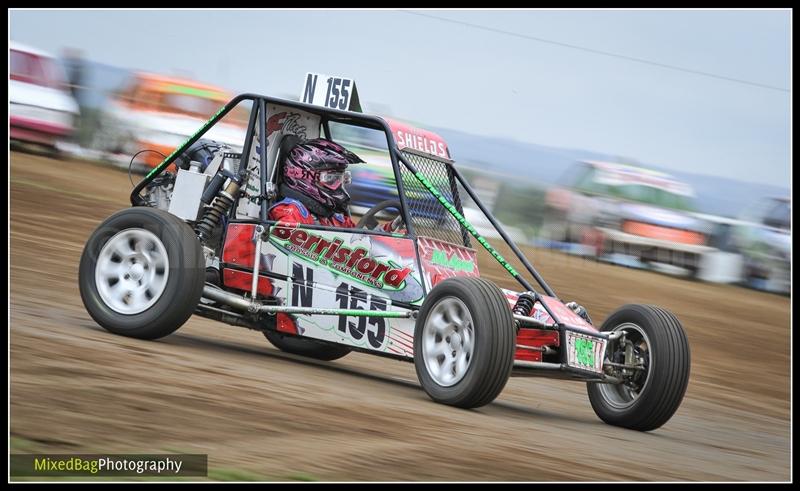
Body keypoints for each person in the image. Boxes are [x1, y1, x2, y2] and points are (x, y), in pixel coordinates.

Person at [269, 138, 397, 231]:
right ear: (305, 178)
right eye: (331, 178)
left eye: (341, 179)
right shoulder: (290, 212)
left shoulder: (333, 216)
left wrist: (392, 228)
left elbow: (363, 239)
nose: (338, 185)